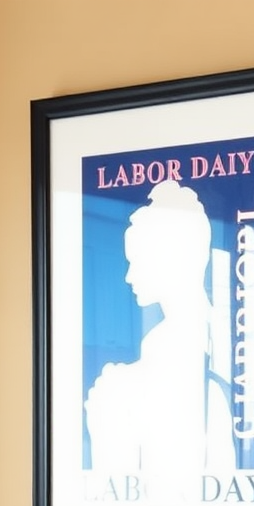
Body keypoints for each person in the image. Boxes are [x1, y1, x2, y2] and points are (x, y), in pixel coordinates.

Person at [84, 180, 235, 486]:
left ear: (171, 260)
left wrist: (113, 401)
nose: (128, 276)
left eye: (136, 262)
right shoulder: (167, 339)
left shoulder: (187, 343)